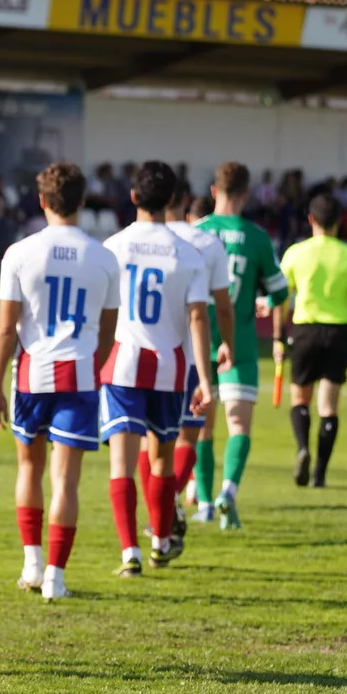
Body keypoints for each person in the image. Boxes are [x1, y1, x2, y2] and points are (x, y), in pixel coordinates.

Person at [0, 162, 120, 602]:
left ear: (42, 201)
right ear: (83, 202)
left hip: (31, 374)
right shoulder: (104, 258)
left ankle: (30, 561)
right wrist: (92, 366)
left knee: (30, 468)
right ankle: (55, 578)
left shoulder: (20, 253)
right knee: (67, 482)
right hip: (79, 374)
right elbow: (107, 332)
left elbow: (6, 328)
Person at [100, 162, 217, 577]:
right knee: (161, 460)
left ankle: (129, 550)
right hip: (170, 366)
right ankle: (161, 541)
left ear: (133, 197)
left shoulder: (112, 247)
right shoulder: (190, 254)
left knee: (122, 463)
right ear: (172, 200)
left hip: (123, 365)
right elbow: (199, 318)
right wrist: (205, 381)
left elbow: (101, 313)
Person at [191, 161, 289, 530]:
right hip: (241, 342)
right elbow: (279, 291)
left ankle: (202, 502)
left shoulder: (195, 233)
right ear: (246, 195)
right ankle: (228, 492)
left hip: (201, 340)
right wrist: (263, 302)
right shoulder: (257, 237)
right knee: (239, 425)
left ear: (214, 191)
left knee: (203, 426)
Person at [280, 194, 347, 488]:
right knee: (329, 407)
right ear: (340, 222)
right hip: (338, 333)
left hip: (305, 330)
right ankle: (320, 473)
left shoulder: (296, 253)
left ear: (311, 220)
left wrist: (277, 336)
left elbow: (282, 299)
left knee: (300, 399)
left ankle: (302, 447)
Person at [162, 183, 235, 559]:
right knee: (191, 436)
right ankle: (170, 500)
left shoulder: (138, 239)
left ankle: (157, 520)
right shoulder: (205, 245)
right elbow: (220, 306)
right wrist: (229, 343)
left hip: (150, 354)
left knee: (152, 442)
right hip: (194, 352)